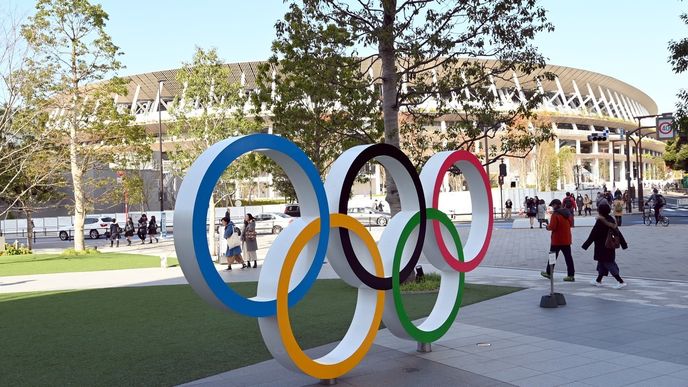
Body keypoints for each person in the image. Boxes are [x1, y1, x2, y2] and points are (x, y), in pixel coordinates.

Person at [582, 203, 628, 289]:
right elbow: (618, 232)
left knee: (608, 263)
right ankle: (598, 280)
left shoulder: (600, 221)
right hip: (609, 245)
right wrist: (623, 244)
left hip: (602, 246)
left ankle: (620, 281)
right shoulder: (611, 220)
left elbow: (593, 234)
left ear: (600, 211)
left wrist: (586, 245)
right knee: (602, 263)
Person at [541, 199, 575, 282]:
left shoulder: (555, 215)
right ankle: (571, 275)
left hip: (557, 240)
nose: (552, 207)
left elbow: (552, 227)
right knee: (568, 258)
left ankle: (549, 273)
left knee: (552, 256)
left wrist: (547, 226)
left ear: (556, 205)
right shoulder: (568, 213)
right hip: (566, 239)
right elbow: (571, 224)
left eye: (553, 205)